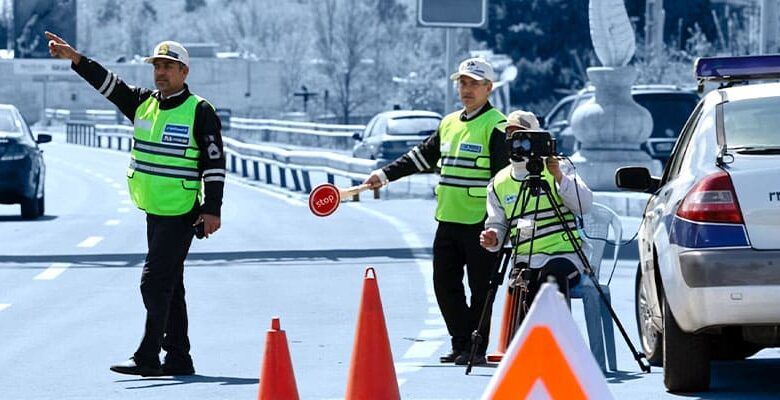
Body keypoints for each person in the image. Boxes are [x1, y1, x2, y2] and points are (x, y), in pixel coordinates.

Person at [46, 31, 225, 377]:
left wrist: (212, 208)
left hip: (182, 210)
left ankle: (147, 356)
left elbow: (215, 162)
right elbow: (108, 83)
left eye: (168, 66)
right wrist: (76, 59)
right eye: (157, 66)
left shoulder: (199, 111)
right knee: (171, 285)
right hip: (154, 210)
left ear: (184, 72)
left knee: (153, 283)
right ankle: (178, 357)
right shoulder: (143, 103)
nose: (160, 72)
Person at [364, 58, 509, 366]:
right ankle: (461, 341)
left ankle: (476, 347)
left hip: (482, 222)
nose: (466, 89)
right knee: (444, 285)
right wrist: (384, 175)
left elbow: (504, 179)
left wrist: (501, 225)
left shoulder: (498, 126)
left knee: (481, 289)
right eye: (462, 83)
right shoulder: (449, 123)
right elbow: (419, 157)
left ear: (489, 88)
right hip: (448, 218)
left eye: (473, 83)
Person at [480, 110, 593, 312]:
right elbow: (498, 225)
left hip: (565, 256)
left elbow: (583, 205)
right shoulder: (499, 182)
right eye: (510, 136)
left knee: (551, 279)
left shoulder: (558, 167)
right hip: (525, 260)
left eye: (522, 136)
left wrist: (558, 176)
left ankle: (556, 339)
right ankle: (530, 340)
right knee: (527, 283)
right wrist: (493, 237)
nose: (517, 143)